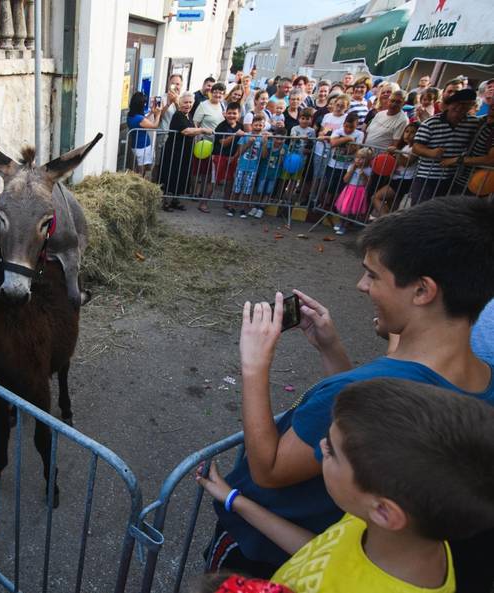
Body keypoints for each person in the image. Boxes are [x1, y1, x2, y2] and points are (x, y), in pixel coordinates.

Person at [203, 196, 494, 592]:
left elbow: (268, 470)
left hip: (270, 552)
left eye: (374, 275)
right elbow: (359, 412)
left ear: (423, 290)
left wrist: (254, 366)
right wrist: (330, 349)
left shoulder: (357, 388)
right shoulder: (483, 383)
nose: (361, 285)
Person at [200, 378, 494, 593]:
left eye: (331, 452)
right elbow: (321, 550)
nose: (320, 445)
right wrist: (236, 500)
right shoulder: (402, 532)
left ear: (384, 511)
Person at [410, 88, 479, 205]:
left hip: (452, 178)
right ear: (449, 104)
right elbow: (416, 147)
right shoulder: (431, 123)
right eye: (457, 104)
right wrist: (430, 152)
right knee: (419, 211)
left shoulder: (473, 123)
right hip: (427, 177)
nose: (459, 108)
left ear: (471, 106)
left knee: (441, 214)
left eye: (465, 105)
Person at [158, 92, 200, 211]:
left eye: (190, 102)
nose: (188, 105)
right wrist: (203, 130)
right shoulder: (178, 115)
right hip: (173, 152)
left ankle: (175, 200)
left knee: (181, 176)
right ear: (180, 103)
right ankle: (164, 202)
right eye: (185, 102)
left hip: (185, 152)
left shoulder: (188, 115)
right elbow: (186, 131)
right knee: (169, 175)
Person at [370, 122, 418, 217]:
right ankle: (389, 223)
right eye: (406, 131)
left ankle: (385, 221)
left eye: (413, 132)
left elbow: (407, 163)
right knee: (392, 205)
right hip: (396, 178)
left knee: (376, 197)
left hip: (404, 180)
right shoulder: (405, 146)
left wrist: (397, 152)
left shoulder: (415, 148)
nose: (408, 134)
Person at [192, 82, 227, 211]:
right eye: (216, 92)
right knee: (199, 169)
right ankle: (195, 192)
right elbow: (196, 123)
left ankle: (202, 194)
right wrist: (198, 137)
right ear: (211, 92)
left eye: (221, 93)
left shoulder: (223, 106)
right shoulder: (203, 105)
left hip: (216, 144)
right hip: (203, 142)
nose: (218, 94)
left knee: (208, 172)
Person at [321, 112, 363, 210]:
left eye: (351, 127)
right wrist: (348, 138)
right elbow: (333, 143)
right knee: (329, 186)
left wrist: (344, 142)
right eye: (346, 126)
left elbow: (354, 149)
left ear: (356, 125)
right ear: (344, 124)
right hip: (333, 164)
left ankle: (335, 207)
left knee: (341, 188)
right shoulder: (338, 131)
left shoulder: (360, 134)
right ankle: (324, 205)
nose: (348, 129)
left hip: (347, 167)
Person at [310, 94, 348, 203]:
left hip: (333, 152)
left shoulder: (345, 119)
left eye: (342, 106)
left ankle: (318, 199)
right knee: (316, 175)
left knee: (325, 177)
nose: (339, 107)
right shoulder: (327, 116)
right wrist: (324, 135)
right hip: (319, 149)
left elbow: (341, 136)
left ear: (346, 107)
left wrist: (327, 137)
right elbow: (321, 131)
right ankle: (311, 198)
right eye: (337, 105)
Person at [229, 118, 269, 216]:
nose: (258, 127)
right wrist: (249, 144)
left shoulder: (263, 138)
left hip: (253, 169)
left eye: (260, 125)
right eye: (256, 125)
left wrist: (264, 144)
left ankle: (243, 209)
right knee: (237, 189)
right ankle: (232, 208)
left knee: (247, 191)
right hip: (241, 167)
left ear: (263, 127)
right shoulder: (246, 136)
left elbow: (264, 156)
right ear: (251, 125)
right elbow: (240, 152)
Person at [333, 146, 372, 234]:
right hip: (349, 189)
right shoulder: (351, 166)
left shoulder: (368, 170)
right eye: (357, 157)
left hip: (359, 191)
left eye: (362, 158)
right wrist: (352, 170)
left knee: (351, 210)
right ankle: (341, 222)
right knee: (343, 208)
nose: (358, 160)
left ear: (368, 160)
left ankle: (345, 225)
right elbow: (345, 180)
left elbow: (368, 183)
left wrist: (364, 176)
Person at [212, 102, 244, 211]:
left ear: (239, 114)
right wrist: (235, 134)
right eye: (229, 113)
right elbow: (223, 143)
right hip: (219, 155)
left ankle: (226, 203)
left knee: (230, 181)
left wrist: (235, 157)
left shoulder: (240, 126)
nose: (231, 116)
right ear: (225, 114)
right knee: (214, 180)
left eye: (234, 113)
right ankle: (204, 203)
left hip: (232, 157)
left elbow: (241, 144)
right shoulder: (221, 126)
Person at [126, 92, 161, 178]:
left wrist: (151, 113)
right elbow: (154, 126)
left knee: (140, 168)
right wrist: (158, 114)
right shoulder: (139, 118)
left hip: (137, 145)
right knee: (141, 171)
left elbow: (142, 121)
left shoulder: (131, 115)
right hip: (142, 147)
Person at [250, 134, 284, 219]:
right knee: (259, 190)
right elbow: (264, 156)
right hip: (264, 171)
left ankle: (261, 208)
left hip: (274, 174)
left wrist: (282, 155)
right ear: (273, 138)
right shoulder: (268, 144)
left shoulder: (285, 147)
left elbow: (281, 163)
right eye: (277, 138)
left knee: (268, 191)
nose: (279, 141)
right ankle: (255, 206)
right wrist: (265, 144)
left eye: (281, 139)